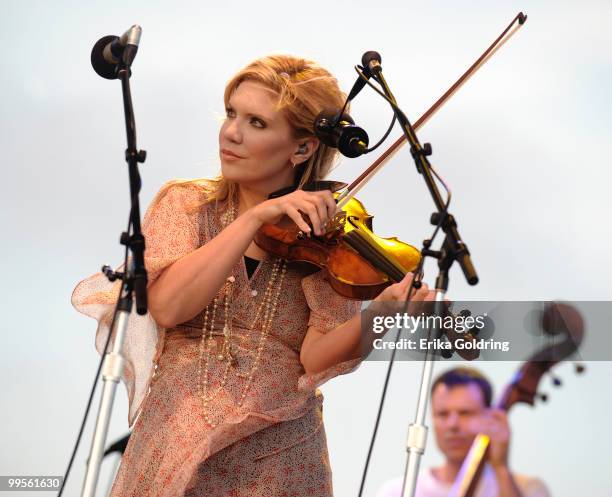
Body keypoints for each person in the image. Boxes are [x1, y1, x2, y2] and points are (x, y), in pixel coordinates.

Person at [72, 54, 435, 497]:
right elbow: (167, 306)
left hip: (280, 456)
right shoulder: (187, 205)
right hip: (178, 434)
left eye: (257, 123)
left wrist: (381, 316)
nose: (232, 132)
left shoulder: (328, 230)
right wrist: (253, 219)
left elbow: (316, 359)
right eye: (231, 114)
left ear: (302, 148)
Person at [376, 367, 551, 497]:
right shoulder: (397, 491)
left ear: (490, 418)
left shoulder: (529, 489)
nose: (452, 424)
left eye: (465, 413)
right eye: (442, 414)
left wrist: (501, 468)